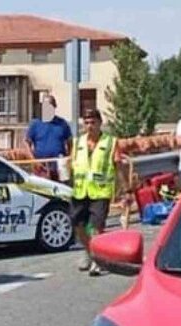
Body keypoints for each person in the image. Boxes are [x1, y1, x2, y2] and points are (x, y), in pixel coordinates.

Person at [70, 109, 123, 276]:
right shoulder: (78, 142)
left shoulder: (110, 142)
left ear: (100, 123)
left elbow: (118, 166)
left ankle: (97, 261)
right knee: (78, 225)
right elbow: (72, 165)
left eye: (93, 122)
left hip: (100, 192)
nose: (89, 126)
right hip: (80, 190)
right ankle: (89, 252)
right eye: (86, 123)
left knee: (94, 226)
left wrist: (123, 189)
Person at [25, 95, 72, 181]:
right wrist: (34, 161)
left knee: (62, 191)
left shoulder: (62, 124)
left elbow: (70, 142)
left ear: (55, 107)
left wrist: (68, 159)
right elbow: (27, 144)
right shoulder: (35, 124)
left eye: (51, 105)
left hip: (60, 167)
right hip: (41, 167)